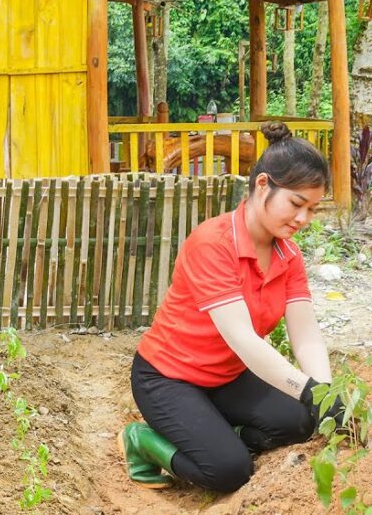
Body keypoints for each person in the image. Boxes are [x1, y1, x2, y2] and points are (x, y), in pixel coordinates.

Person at [119, 121, 344, 493]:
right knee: (228, 472)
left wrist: (322, 391)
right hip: (168, 378)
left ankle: (217, 432)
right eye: (296, 204)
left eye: (313, 209)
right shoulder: (213, 243)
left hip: (228, 376)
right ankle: (141, 441)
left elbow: (305, 333)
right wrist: (304, 389)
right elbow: (243, 339)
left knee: (302, 422)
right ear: (262, 186)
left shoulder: (288, 254)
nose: (304, 219)